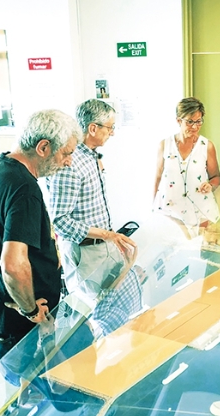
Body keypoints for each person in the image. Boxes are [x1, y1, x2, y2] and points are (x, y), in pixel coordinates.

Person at [0, 109, 81, 359]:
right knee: (30, 392)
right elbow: (13, 264)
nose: (69, 162)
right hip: (16, 323)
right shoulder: (24, 188)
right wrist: (31, 310)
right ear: (43, 147)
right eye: (66, 153)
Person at [46, 99, 137, 297]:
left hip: (103, 247)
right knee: (90, 313)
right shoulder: (70, 163)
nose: (112, 132)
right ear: (93, 128)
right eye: (110, 127)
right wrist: (107, 235)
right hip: (84, 253)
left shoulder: (91, 156)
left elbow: (95, 206)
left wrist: (112, 238)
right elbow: (60, 221)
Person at [153, 97, 220, 227]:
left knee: (199, 246)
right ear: (179, 120)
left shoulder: (207, 146)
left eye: (199, 121)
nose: (195, 127)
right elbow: (158, 177)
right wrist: (153, 207)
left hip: (200, 212)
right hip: (170, 213)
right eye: (190, 122)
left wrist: (210, 185)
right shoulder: (164, 145)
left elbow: (216, 177)